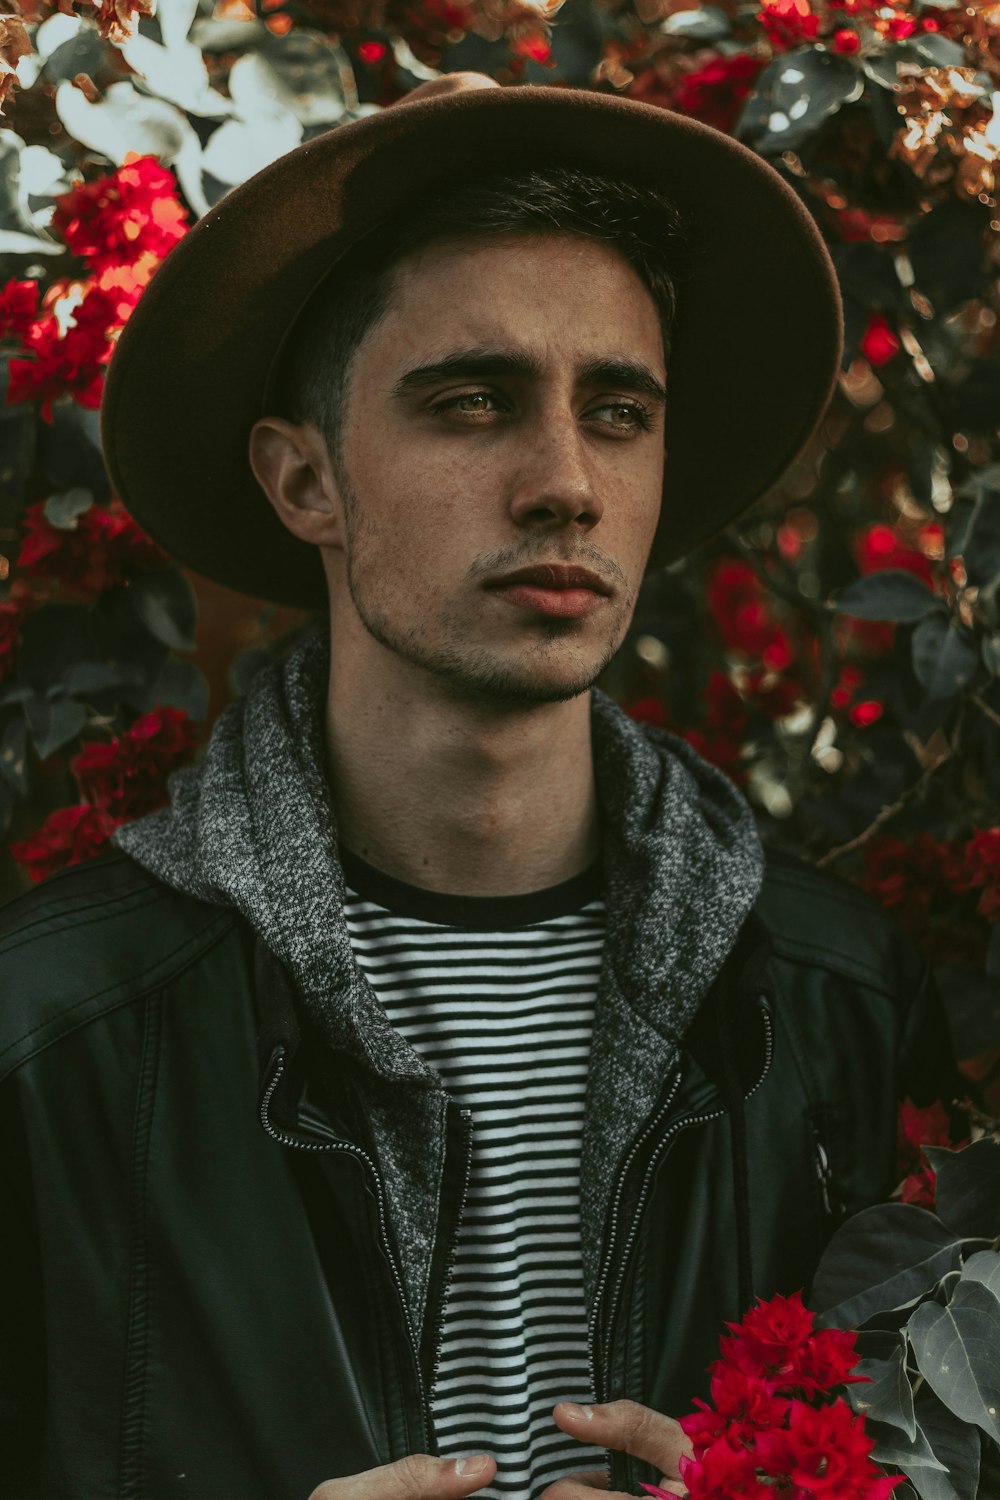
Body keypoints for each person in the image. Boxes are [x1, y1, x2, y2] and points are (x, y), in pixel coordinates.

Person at [0, 74, 956, 1500]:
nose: (564, 480)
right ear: (305, 480)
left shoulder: (837, 1004)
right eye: (471, 401)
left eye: (618, 410)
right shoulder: (47, 1036)